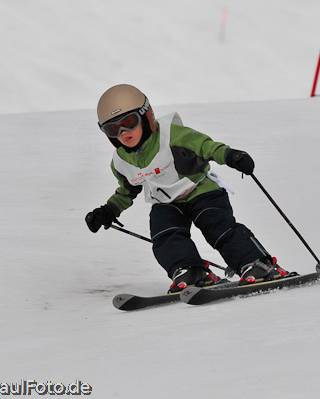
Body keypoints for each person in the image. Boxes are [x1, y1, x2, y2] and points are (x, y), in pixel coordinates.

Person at [85, 84, 283, 293]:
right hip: (166, 203)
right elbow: (127, 190)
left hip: (201, 191)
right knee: (164, 235)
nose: (123, 133)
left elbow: (205, 146)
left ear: (145, 117)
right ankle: (189, 271)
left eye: (129, 122)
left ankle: (258, 263)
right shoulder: (121, 162)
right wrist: (108, 211)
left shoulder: (172, 135)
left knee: (218, 227)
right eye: (113, 128)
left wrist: (230, 155)